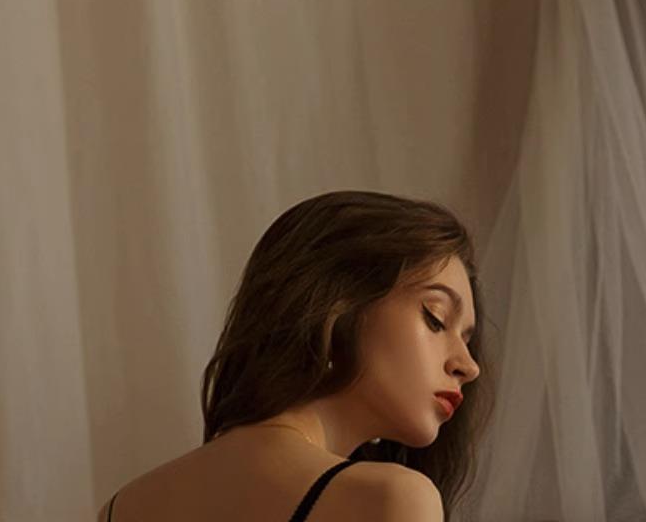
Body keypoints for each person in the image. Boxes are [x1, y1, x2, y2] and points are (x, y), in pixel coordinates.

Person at [98, 190, 492, 521]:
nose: (469, 366)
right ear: (337, 306)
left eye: (466, 339)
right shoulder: (392, 499)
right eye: (436, 318)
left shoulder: (122, 507)